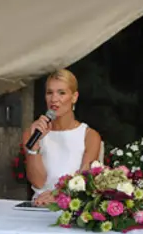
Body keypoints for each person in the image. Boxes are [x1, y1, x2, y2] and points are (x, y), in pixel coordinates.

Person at [23, 69, 102, 205]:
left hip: (72, 207)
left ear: (74, 97)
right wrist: (35, 145)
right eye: (49, 93)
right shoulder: (33, 132)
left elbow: (84, 180)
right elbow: (38, 182)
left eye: (61, 93)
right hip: (40, 205)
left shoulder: (89, 136)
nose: (54, 99)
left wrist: (58, 195)